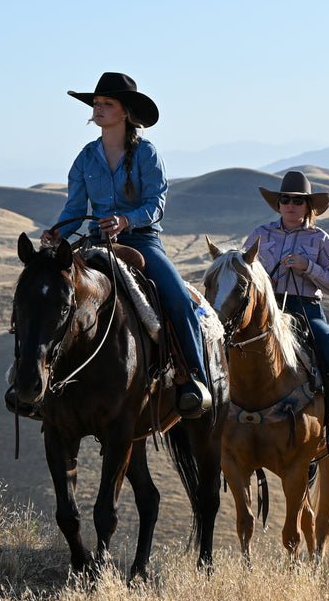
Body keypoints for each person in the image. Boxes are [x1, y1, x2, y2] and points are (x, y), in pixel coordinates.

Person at [22, 71, 211, 417]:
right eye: (96, 103)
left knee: (179, 299)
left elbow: (155, 204)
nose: (98, 108)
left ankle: (193, 381)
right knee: (46, 295)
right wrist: (59, 232)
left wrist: (126, 219)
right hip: (96, 241)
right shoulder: (85, 157)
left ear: (125, 112)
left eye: (107, 104)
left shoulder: (146, 153)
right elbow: (75, 209)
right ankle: (30, 383)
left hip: (142, 241)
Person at [243, 171, 329, 468]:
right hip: (267, 309)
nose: (290, 205)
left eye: (298, 201)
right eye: (285, 199)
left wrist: (308, 266)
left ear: (308, 206)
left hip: (306, 310)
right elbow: (243, 273)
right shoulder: (259, 234)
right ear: (278, 203)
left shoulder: (320, 239)